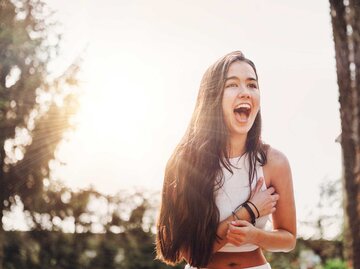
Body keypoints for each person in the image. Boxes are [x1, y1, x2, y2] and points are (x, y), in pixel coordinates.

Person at [155, 51, 296, 269]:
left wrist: (255, 236)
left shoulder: (274, 162)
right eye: (232, 85)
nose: (245, 93)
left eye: (252, 85)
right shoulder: (184, 162)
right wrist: (248, 210)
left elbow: (288, 239)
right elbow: (192, 254)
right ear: (213, 96)